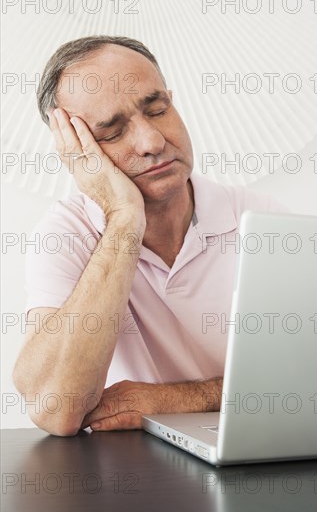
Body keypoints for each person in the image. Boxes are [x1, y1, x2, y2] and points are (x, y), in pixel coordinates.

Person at [13, 36, 288, 436]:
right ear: (76, 150)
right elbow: (56, 409)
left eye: (157, 109)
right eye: (111, 132)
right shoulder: (64, 235)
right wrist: (124, 218)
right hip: (129, 480)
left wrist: (169, 400)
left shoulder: (266, 223)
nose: (152, 142)